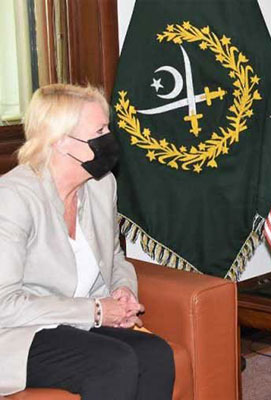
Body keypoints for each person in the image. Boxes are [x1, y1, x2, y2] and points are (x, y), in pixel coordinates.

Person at [0, 84, 174, 399]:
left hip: (74, 325)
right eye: (99, 131)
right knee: (112, 363)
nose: (110, 139)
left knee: (155, 354)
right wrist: (95, 311)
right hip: (18, 333)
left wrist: (122, 291)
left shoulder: (101, 185)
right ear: (60, 141)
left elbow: (115, 256)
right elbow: (5, 306)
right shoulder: (13, 198)